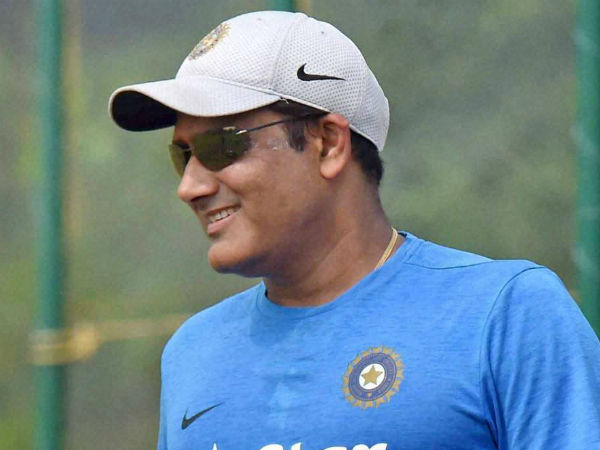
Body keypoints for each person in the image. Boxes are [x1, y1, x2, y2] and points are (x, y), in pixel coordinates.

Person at [108, 10, 600, 450]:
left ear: (328, 144)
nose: (190, 187)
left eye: (221, 147)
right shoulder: (192, 354)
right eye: (183, 155)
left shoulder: (505, 315)